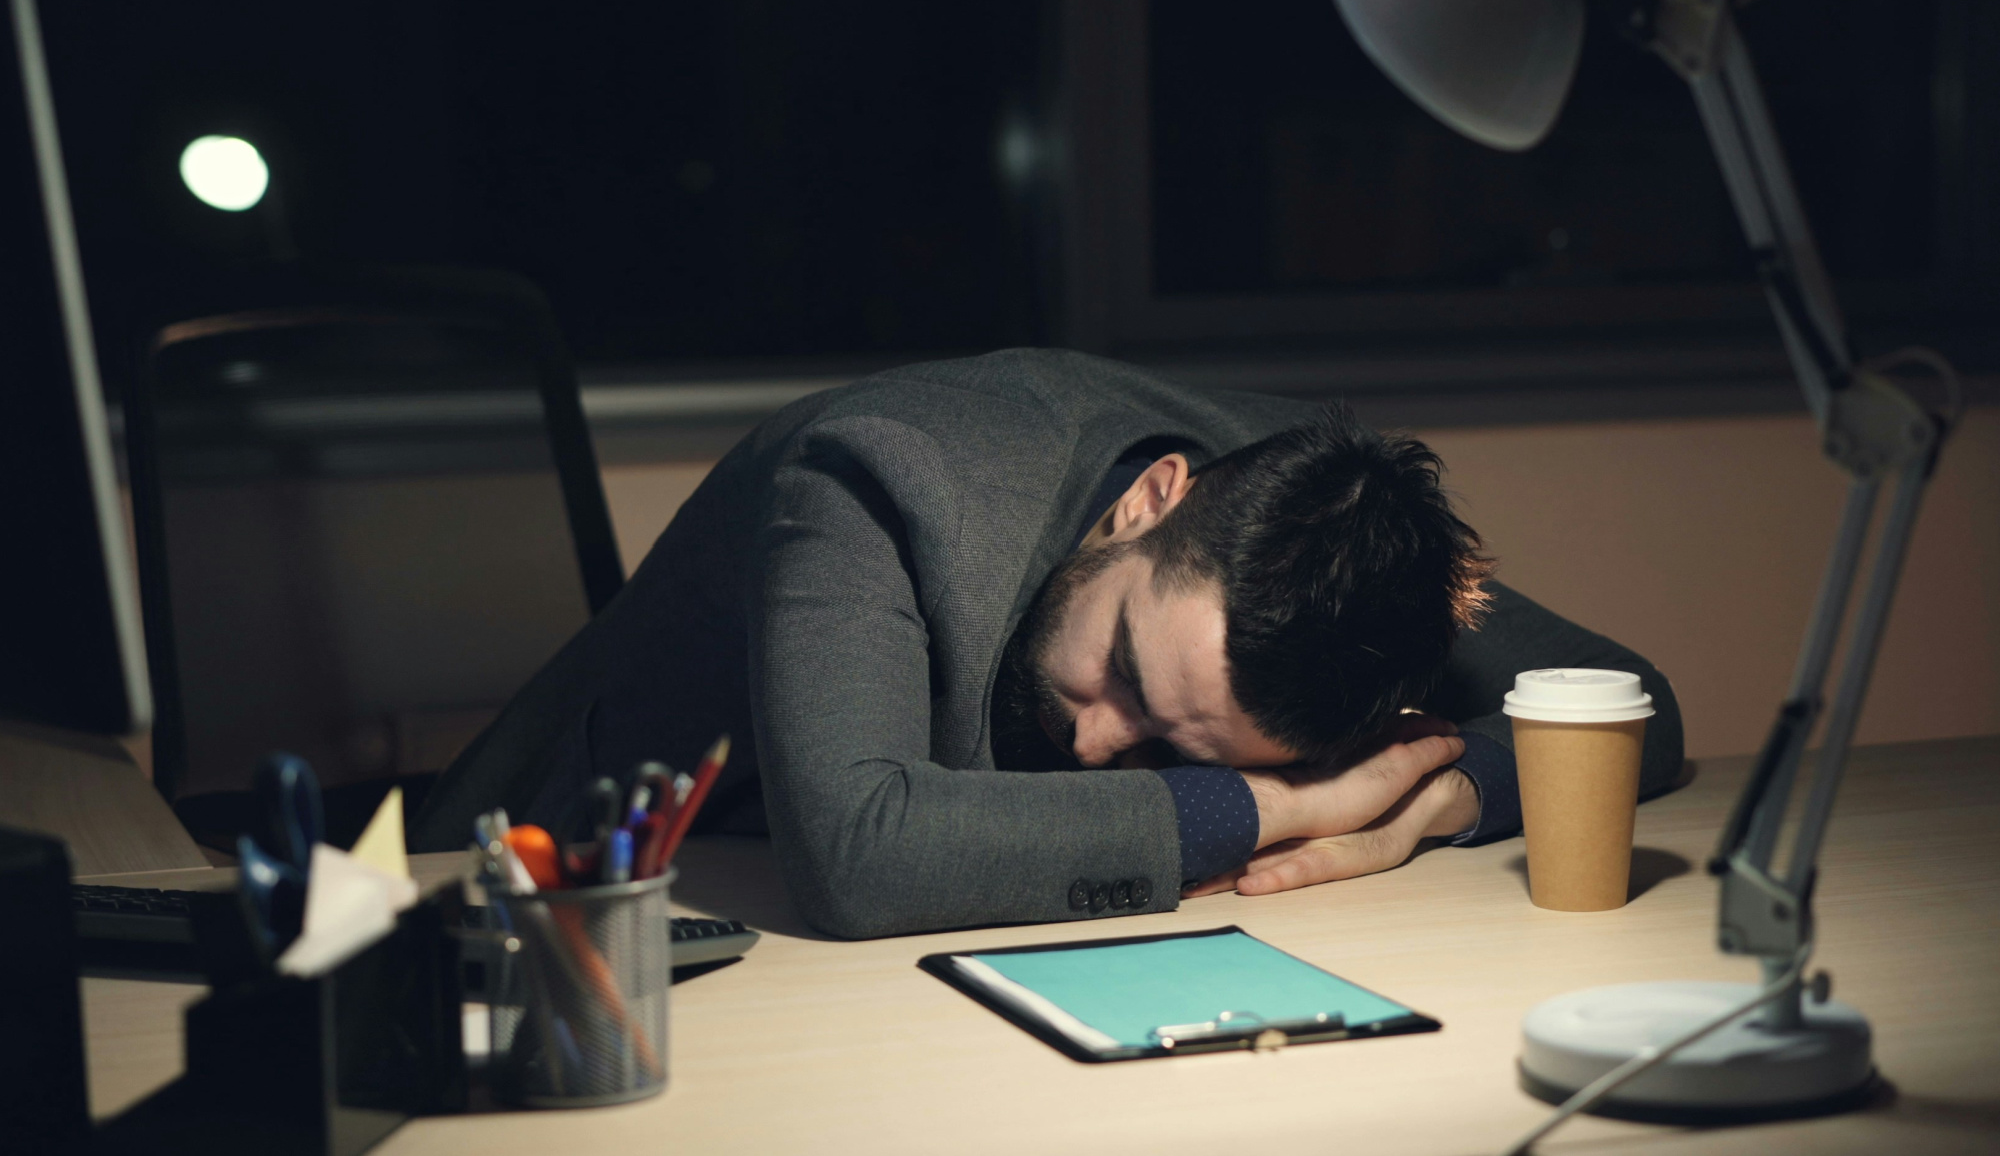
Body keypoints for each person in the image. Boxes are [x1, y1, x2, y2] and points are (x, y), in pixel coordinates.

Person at [414, 349, 1683, 935]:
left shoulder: (1330, 531)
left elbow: (1635, 705)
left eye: (1180, 746)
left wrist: (1430, 804)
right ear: (1152, 501)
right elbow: (861, 854)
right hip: (569, 907)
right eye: (1125, 675)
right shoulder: (876, 474)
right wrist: (1284, 806)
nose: (1093, 741)